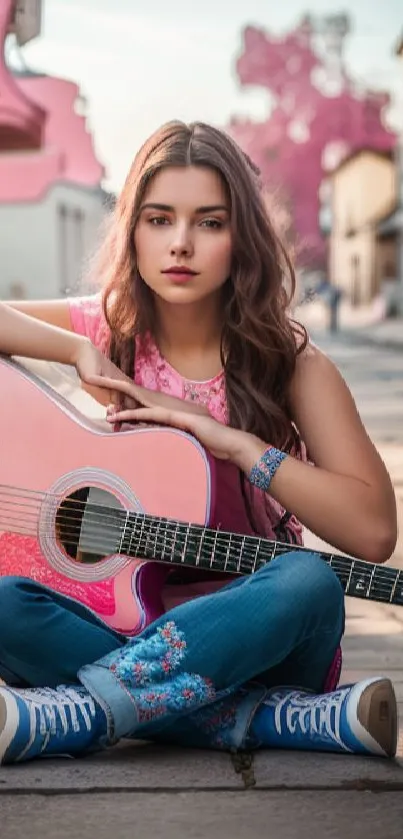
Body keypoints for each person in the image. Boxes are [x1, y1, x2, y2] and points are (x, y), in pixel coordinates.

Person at [0, 121, 398, 765]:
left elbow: (375, 531)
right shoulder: (111, 328)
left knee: (307, 579)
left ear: (241, 235)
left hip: (262, 642)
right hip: (120, 625)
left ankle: (85, 709)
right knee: (4, 601)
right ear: (132, 229)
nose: (180, 244)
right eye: (159, 219)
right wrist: (74, 346)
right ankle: (268, 722)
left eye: (209, 223)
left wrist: (235, 444)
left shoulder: (290, 362)